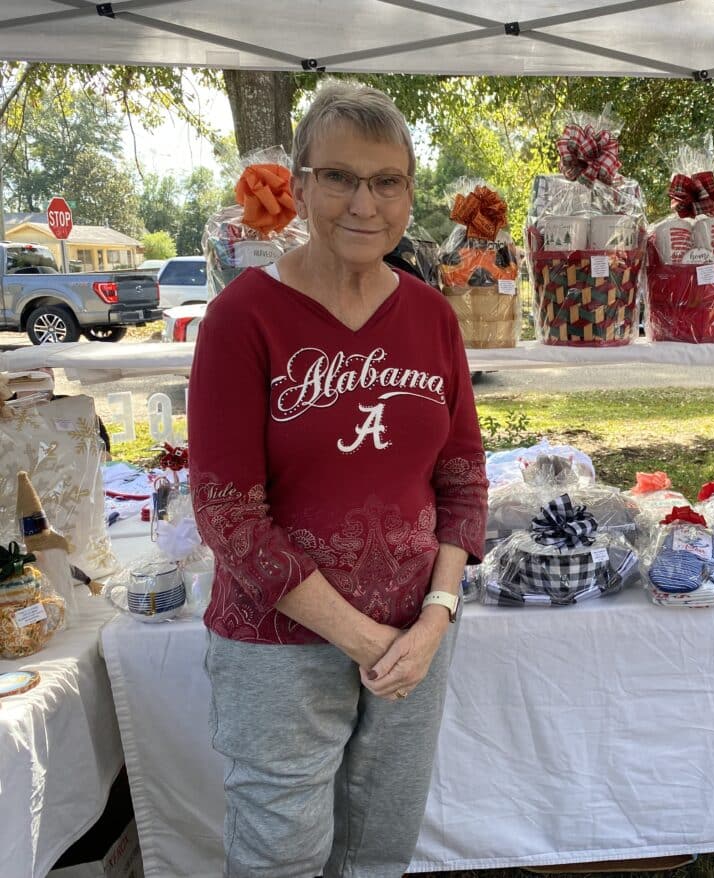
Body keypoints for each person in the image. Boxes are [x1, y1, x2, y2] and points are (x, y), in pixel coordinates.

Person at [187, 81, 488, 878]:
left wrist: (435, 618)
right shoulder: (243, 318)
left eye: (386, 181)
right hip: (279, 645)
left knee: (379, 849)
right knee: (280, 856)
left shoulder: (431, 317)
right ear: (301, 184)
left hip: (416, 639)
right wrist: (365, 639)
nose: (364, 203)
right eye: (339, 178)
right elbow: (227, 515)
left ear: (409, 194)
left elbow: (462, 480)